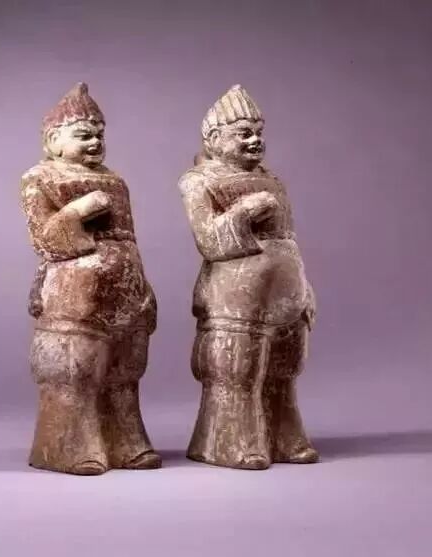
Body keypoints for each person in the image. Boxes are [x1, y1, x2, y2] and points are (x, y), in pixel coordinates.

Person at [20, 83, 160, 475]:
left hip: (126, 290)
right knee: (76, 371)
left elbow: (129, 240)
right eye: (83, 135)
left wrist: (142, 285)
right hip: (75, 291)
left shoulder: (115, 181)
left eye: (99, 134)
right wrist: (77, 211)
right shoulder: (39, 178)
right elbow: (46, 240)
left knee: (124, 372)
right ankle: (69, 447)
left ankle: (126, 442)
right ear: (54, 140)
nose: (95, 142)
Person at [179, 85, 319, 469]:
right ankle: (232, 443)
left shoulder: (272, 180)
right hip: (235, 292)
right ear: (213, 138)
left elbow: (288, 239)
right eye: (243, 133)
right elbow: (209, 240)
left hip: (284, 290)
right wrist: (245, 211)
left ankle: (284, 438)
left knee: (283, 370)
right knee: (236, 370)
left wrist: (304, 289)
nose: (255, 140)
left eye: (258, 132)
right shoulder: (199, 180)